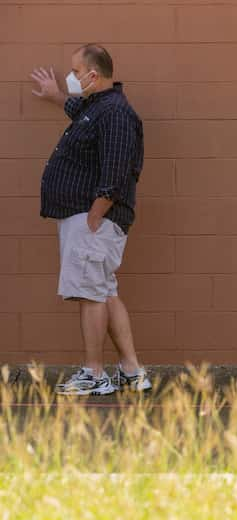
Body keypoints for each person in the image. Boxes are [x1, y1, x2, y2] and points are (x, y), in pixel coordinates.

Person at [30, 44, 150, 395]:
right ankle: (131, 371)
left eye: (76, 71)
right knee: (103, 292)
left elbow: (115, 170)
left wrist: (94, 216)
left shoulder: (114, 113)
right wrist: (55, 96)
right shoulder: (99, 108)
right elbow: (79, 114)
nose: (73, 77)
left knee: (90, 296)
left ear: (93, 75)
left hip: (93, 217)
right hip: (89, 217)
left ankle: (94, 373)